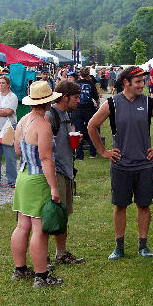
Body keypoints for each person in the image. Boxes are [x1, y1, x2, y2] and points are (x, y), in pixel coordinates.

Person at [88, 66, 153, 259]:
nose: (143, 85)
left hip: (144, 165)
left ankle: (143, 246)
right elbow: (92, 125)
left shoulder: (150, 103)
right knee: (120, 205)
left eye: (143, 81)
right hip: (121, 165)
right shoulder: (112, 104)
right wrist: (103, 151)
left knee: (144, 205)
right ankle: (119, 247)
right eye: (139, 82)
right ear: (126, 82)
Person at [11, 80, 63, 288]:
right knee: (39, 229)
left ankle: (20, 269)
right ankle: (41, 276)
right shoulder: (43, 124)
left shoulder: (23, 120)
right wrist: (53, 187)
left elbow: (16, 150)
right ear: (48, 102)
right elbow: (46, 158)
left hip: (23, 176)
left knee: (22, 225)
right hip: (37, 179)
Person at [46, 80, 85, 264]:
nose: (79, 101)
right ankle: (44, 256)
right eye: (76, 97)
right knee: (52, 215)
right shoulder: (50, 116)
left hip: (67, 169)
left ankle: (61, 253)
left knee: (63, 215)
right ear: (64, 97)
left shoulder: (66, 115)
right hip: (56, 171)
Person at [72, 67, 100, 160]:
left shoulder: (75, 84)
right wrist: (98, 105)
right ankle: (92, 153)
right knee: (92, 129)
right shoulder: (91, 84)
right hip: (89, 109)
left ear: (80, 74)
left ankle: (79, 155)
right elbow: (96, 97)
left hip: (77, 109)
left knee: (78, 131)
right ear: (88, 74)